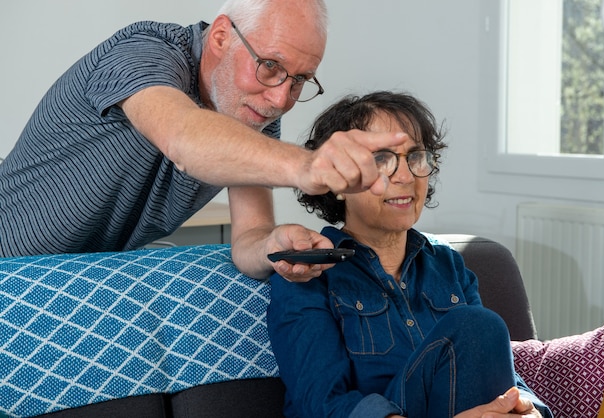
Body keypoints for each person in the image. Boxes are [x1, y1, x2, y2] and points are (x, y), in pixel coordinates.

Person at [0, 0, 405, 281]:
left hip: (65, 282)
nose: (281, 99)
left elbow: (249, 236)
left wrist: (275, 244)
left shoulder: (254, 115)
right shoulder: (143, 51)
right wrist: (304, 165)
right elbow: (184, 137)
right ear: (221, 37)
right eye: (269, 66)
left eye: (299, 80)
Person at [267, 91, 553, 418]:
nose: (405, 177)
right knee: (479, 326)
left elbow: (499, 375)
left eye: (416, 157)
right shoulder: (306, 273)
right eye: (381, 159)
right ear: (338, 182)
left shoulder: (450, 267)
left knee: (481, 331)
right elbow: (319, 402)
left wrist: (530, 411)